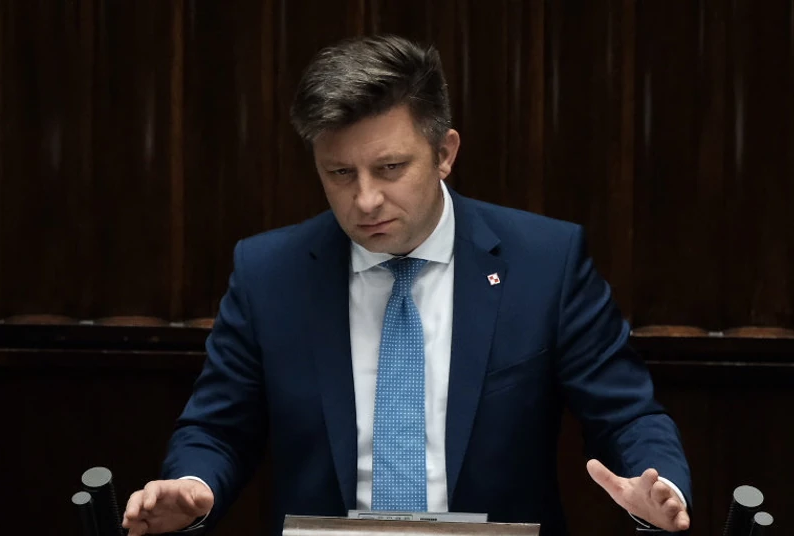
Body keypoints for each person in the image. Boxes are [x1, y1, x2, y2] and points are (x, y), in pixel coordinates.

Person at [122, 35, 691, 536]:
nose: (366, 199)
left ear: (444, 153)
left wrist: (658, 486)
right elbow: (219, 428)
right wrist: (193, 485)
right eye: (340, 173)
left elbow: (626, 415)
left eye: (390, 168)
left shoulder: (545, 262)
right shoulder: (270, 272)